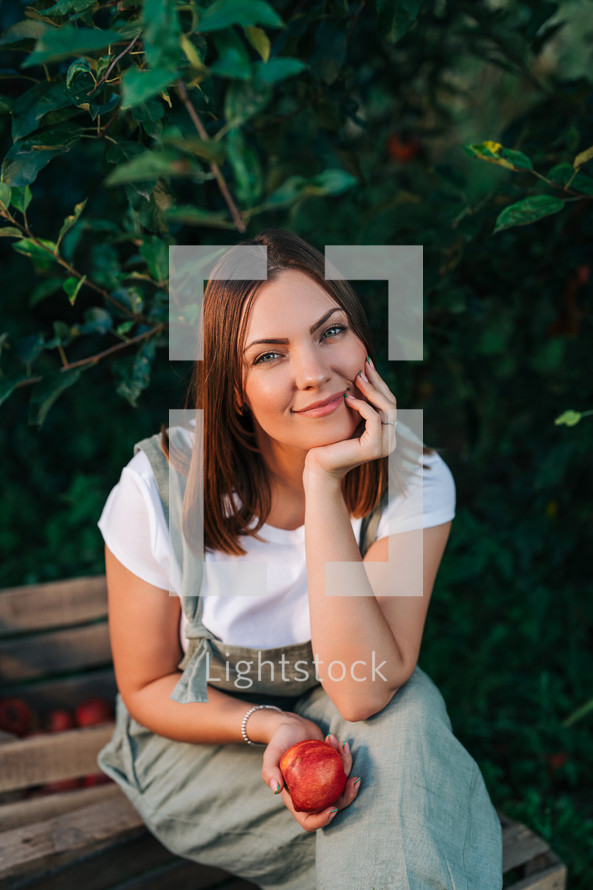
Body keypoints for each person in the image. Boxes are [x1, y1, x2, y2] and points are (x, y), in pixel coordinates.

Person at [97, 229, 502, 890]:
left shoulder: (414, 478)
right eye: (268, 356)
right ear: (233, 388)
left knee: (406, 712)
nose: (313, 371)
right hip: (202, 740)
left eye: (330, 331)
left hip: (347, 714)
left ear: (361, 339)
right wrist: (270, 725)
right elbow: (148, 689)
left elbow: (362, 686)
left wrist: (323, 484)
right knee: (405, 808)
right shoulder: (160, 490)